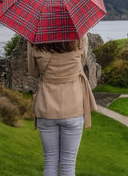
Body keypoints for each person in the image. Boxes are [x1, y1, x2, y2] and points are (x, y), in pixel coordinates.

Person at [27, 34, 98, 176]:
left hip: (46, 107)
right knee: (68, 164)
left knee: (50, 161)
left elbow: (33, 73)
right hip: (74, 106)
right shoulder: (80, 37)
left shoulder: (34, 39)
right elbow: (80, 64)